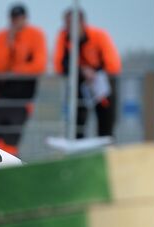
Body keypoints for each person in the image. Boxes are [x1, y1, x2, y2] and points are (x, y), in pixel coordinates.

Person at [54, 8, 121, 138]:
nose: (69, 28)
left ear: (82, 23)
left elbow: (113, 65)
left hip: (102, 85)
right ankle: (78, 153)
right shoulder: (64, 38)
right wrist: (82, 71)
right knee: (77, 124)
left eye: (72, 24)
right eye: (67, 24)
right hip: (78, 84)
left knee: (106, 123)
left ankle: (105, 150)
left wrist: (94, 72)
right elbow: (59, 65)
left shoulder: (99, 36)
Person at [0, 4, 46, 156]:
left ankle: (9, 165)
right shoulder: (2, 36)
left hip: (22, 96)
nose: (17, 22)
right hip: (2, 94)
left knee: (13, 136)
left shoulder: (36, 35)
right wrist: (10, 43)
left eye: (20, 18)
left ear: (25, 18)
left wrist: (16, 71)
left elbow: (39, 65)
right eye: (14, 18)